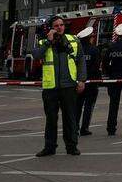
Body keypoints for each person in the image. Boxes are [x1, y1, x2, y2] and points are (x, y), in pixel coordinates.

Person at [32, 15, 86, 156]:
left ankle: (71, 146)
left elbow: (80, 61)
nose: (60, 27)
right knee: (51, 119)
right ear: (51, 28)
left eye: (61, 25)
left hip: (69, 86)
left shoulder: (73, 40)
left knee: (70, 118)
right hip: (51, 88)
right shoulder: (43, 41)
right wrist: (48, 43)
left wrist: (81, 80)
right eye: (56, 25)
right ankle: (50, 147)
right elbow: (36, 55)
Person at [76, 26, 102, 137]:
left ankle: (75, 127)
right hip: (91, 83)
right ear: (89, 38)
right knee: (88, 107)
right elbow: (97, 66)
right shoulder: (94, 50)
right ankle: (84, 128)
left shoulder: (76, 50)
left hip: (78, 82)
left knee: (77, 106)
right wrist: (99, 79)